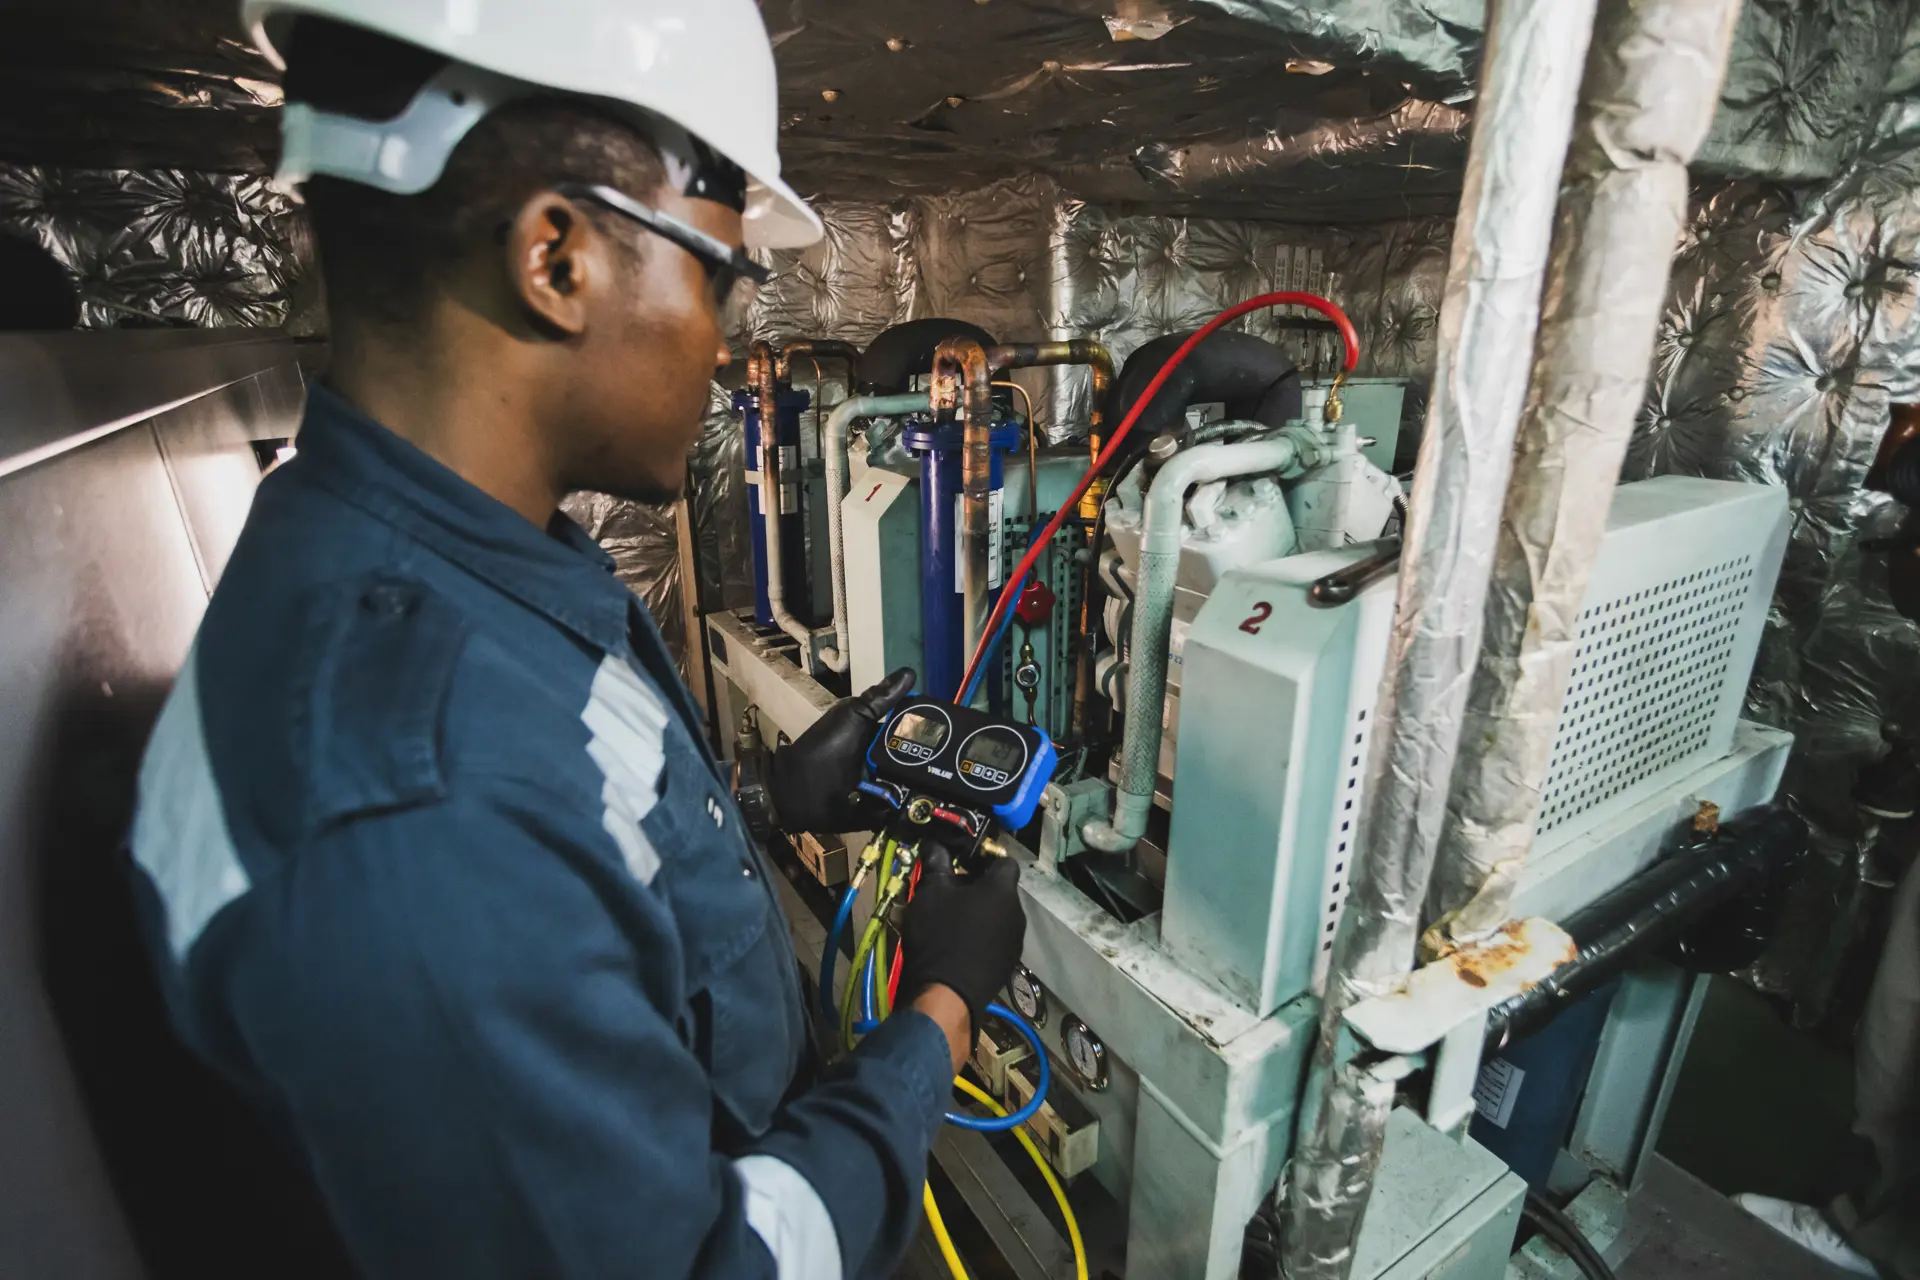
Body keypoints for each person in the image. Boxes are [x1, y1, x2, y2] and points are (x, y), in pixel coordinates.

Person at [123, 3, 1026, 1277]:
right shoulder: (408, 801)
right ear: (558, 259)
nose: (727, 345)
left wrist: (765, 796)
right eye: (719, 278)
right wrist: (939, 1009)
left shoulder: (440, 559)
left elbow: (569, 849)